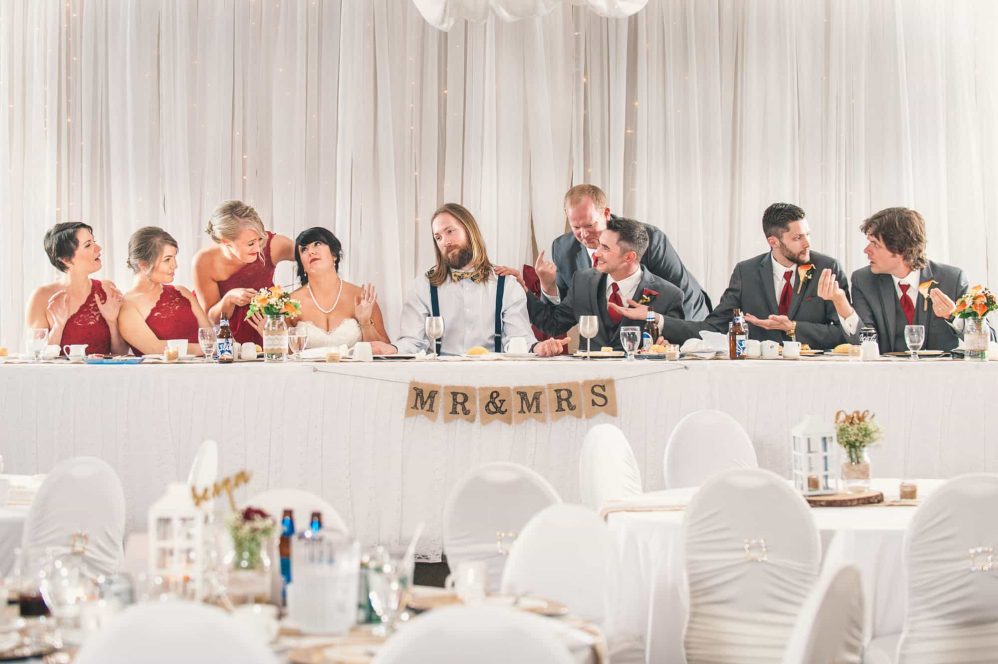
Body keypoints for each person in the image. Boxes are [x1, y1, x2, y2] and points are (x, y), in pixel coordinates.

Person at [659, 203, 851, 350]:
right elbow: (714, 327)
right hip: (757, 374)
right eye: (797, 238)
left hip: (815, 373)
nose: (807, 243)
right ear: (773, 241)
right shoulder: (746, 272)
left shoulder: (827, 268)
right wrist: (658, 320)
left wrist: (792, 327)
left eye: (807, 235)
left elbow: (843, 333)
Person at [390, 203, 550, 356]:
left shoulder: (506, 284)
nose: (445, 242)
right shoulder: (422, 286)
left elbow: (519, 339)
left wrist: (538, 347)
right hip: (440, 378)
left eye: (450, 231)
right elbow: (412, 342)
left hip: (492, 376)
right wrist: (391, 350)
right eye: (438, 237)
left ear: (469, 230)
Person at [817, 207, 981, 353]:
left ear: (900, 248)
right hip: (885, 380)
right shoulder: (863, 280)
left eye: (875, 244)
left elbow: (988, 341)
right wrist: (840, 302)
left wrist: (953, 316)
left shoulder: (952, 279)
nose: (866, 250)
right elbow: (864, 344)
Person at [546, 184, 710, 320]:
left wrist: (674, 336)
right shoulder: (563, 249)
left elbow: (681, 294)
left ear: (606, 214)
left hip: (687, 318)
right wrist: (547, 286)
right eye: (576, 227)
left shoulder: (649, 239)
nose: (583, 234)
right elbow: (563, 310)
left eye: (590, 225)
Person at [525, 217, 684, 352]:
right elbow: (553, 324)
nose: (597, 253)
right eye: (600, 244)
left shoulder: (669, 296)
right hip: (591, 382)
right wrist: (523, 289)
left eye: (605, 248)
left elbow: (675, 348)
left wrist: (667, 347)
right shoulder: (582, 281)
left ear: (629, 257)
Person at [192, 200, 294, 346]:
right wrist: (229, 299)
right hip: (225, 337)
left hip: (263, 327)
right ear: (226, 242)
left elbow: (312, 258)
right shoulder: (204, 261)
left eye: (260, 239)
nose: (259, 249)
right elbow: (211, 320)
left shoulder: (274, 245)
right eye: (251, 244)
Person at [26, 222, 128, 356]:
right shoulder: (41, 296)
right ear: (65, 259)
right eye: (88, 245)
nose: (98, 248)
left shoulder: (107, 289)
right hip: (58, 376)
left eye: (94, 242)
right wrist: (58, 327)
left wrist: (112, 322)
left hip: (103, 375)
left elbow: (120, 353)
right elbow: (37, 356)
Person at [288, 227, 393, 353]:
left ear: (334, 255)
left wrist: (365, 323)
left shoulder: (361, 297)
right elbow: (288, 356)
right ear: (302, 265)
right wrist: (269, 333)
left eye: (317, 244)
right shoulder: (291, 303)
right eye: (304, 249)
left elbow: (385, 352)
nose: (311, 252)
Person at [118, 227, 211, 356]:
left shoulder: (182, 292)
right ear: (143, 265)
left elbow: (209, 336)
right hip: (161, 375)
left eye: (174, 257)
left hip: (207, 371)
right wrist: (208, 349)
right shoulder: (127, 305)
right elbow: (155, 349)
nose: (175, 265)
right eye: (167, 259)